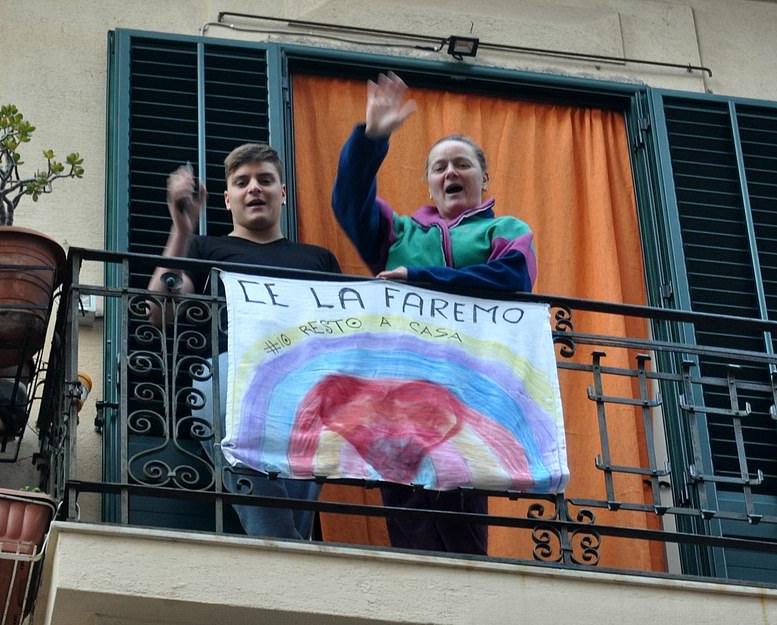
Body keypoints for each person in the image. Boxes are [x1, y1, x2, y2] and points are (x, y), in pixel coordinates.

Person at [330, 72, 537, 555]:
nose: (450, 173)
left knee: (464, 514)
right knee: (408, 518)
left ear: (484, 178)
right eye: (439, 167)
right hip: (402, 390)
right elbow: (348, 202)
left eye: (462, 164)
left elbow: (511, 277)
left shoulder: (506, 229)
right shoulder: (399, 233)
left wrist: (419, 278)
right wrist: (370, 138)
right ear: (428, 183)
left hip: (472, 389)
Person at [149, 143, 341, 540]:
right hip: (232, 378)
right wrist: (182, 230)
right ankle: (286, 551)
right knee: (279, 522)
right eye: (242, 182)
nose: (254, 188)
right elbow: (160, 310)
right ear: (227, 199)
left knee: (295, 508)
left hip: (301, 385)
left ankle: (285, 553)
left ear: (282, 193)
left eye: (264, 180)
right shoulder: (204, 248)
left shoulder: (319, 259)